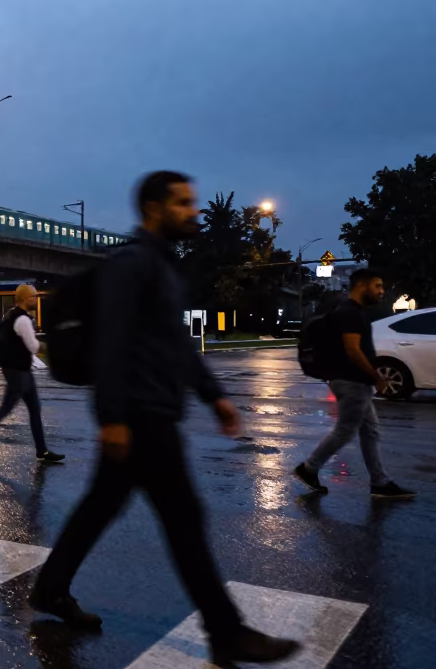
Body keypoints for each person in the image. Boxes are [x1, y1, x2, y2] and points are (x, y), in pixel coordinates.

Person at [29, 172, 299, 666]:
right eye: (183, 203)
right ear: (154, 209)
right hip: (139, 414)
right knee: (184, 521)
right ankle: (226, 633)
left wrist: (213, 394)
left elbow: (174, 341)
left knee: (100, 509)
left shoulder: (160, 267)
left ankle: (51, 589)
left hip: (148, 412)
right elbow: (110, 341)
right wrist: (112, 416)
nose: (193, 211)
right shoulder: (132, 265)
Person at [293, 269, 415, 498]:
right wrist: (376, 376)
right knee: (345, 431)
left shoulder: (350, 310)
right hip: (351, 381)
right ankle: (309, 468)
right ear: (361, 285)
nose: (381, 291)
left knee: (370, 431)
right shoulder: (350, 312)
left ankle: (379, 482)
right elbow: (352, 349)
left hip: (352, 380)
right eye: (377, 285)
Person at [0, 283, 64, 464]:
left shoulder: (11, 314)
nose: (35, 300)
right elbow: (33, 346)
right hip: (18, 372)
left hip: (19, 370)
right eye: (32, 297)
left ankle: (42, 450)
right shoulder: (23, 320)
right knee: (7, 407)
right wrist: (50, 347)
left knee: (34, 409)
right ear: (24, 299)